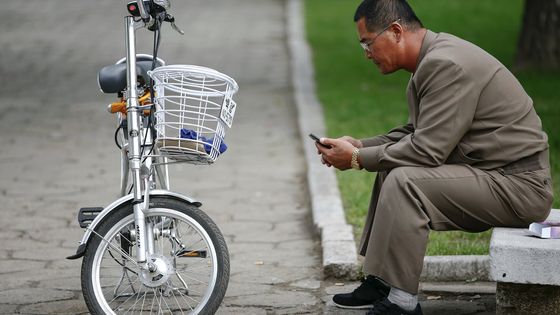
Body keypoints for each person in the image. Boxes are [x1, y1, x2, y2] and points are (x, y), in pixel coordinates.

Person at [315, 0, 554, 314]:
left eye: (368, 42)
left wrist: (359, 157)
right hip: (494, 176)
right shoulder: (433, 58)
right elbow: (415, 133)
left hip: (520, 187)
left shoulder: (446, 64)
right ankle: (382, 280)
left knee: (405, 180)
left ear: (396, 31)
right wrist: (359, 144)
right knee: (392, 169)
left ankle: (402, 304)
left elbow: (427, 150)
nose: (366, 52)